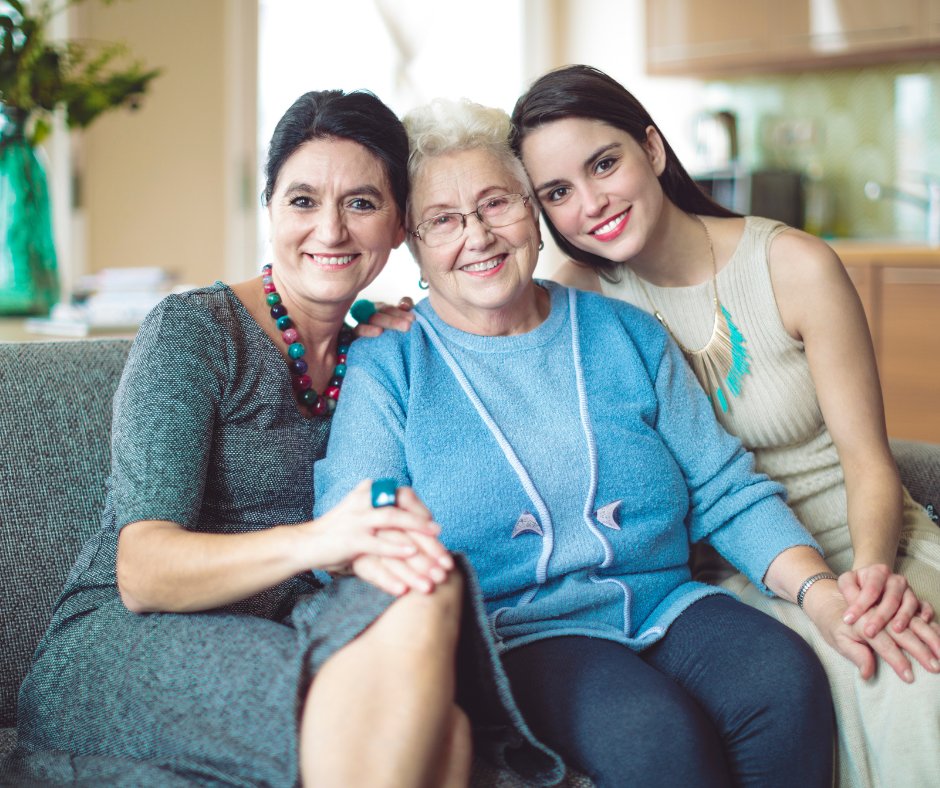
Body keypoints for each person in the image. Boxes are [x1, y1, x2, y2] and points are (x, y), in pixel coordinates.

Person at [1, 90, 546, 788]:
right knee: (444, 740)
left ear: (399, 225)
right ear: (268, 211)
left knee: (434, 582)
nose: (331, 230)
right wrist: (323, 538)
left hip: (289, 626)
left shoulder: (375, 353)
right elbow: (141, 570)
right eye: (302, 201)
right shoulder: (195, 332)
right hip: (123, 639)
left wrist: (403, 328)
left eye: (361, 202)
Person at [313, 96, 856, 788]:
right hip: (522, 633)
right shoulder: (390, 362)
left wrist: (818, 590)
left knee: (785, 680)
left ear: (533, 212)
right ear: (414, 246)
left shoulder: (624, 332)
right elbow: (354, 526)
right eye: (443, 221)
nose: (476, 236)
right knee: (657, 739)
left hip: (667, 601)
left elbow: (724, 489)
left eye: (495, 205)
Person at [510, 64, 940, 788]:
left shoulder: (794, 266)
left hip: (866, 547)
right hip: (725, 577)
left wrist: (868, 580)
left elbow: (870, 463)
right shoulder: (578, 296)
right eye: (558, 192)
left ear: (652, 148)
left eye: (604, 164)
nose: (590, 204)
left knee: (906, 676)